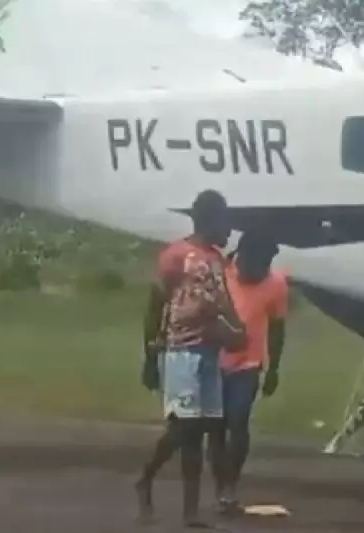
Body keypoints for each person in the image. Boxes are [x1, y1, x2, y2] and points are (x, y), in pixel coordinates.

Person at [136, 189, 247, 528]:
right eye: (225, 222)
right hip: (181, 351)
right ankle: (146, 478)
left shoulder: (216, 259)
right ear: (209, 220)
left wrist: (238, 329)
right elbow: (156, 304)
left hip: (210, 353)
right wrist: (150, 354)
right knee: (185, 428)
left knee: (205, 428)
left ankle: (190, 512)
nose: (229, 230)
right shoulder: (176, 255)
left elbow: (224, 300)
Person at [209, 232, 288, 516]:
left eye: (266, 265)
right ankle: (221, 486)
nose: (260, 270)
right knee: (216, 428)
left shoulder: (276, 284)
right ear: (241, 256)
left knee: (239, 421)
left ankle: (230, 486)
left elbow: (277, 328)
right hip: (213, 362)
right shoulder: (219, 275)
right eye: (256, 263)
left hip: (248, 364)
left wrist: (274, 368)